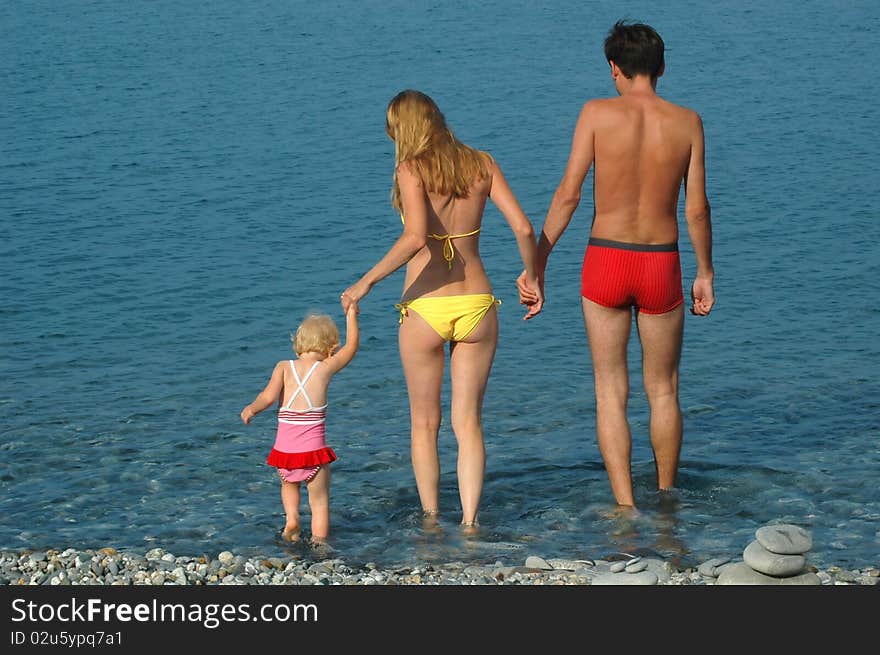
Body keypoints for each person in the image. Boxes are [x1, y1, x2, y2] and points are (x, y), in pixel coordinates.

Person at [518, 21, 715, 508]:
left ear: (614, 68)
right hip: (660, 262)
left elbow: (568, 195)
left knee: (610, 391)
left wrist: (537, 263)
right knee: (664, 390)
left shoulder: (595, 114)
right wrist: (704, 271)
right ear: (662, 67)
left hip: (605, 258)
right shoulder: (687, 121)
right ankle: (666, 498)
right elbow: (697, 209)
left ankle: (625, 506)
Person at [341, 90, 543, 529]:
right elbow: (524, 227)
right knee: (467, 422)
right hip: (477, 303)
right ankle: (471, 522)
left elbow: (415, 237)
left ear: (406, 128)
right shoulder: (482, 164)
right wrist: (533, 276)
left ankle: (431, 520)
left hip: (425, 307)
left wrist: (366, 282)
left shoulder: (410, 169)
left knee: (424, 424)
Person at [240, 305, 359, 543]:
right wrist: (351, 316)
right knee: (319, 502)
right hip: (313, 453)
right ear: (330, 348)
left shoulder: (284, 367)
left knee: (289, 486)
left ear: (298, 343)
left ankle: (292, 518)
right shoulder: (325, 368)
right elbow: (352, 347)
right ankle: (320, 543)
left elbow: (268, 397)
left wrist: (251, 408)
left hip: (285, 452)